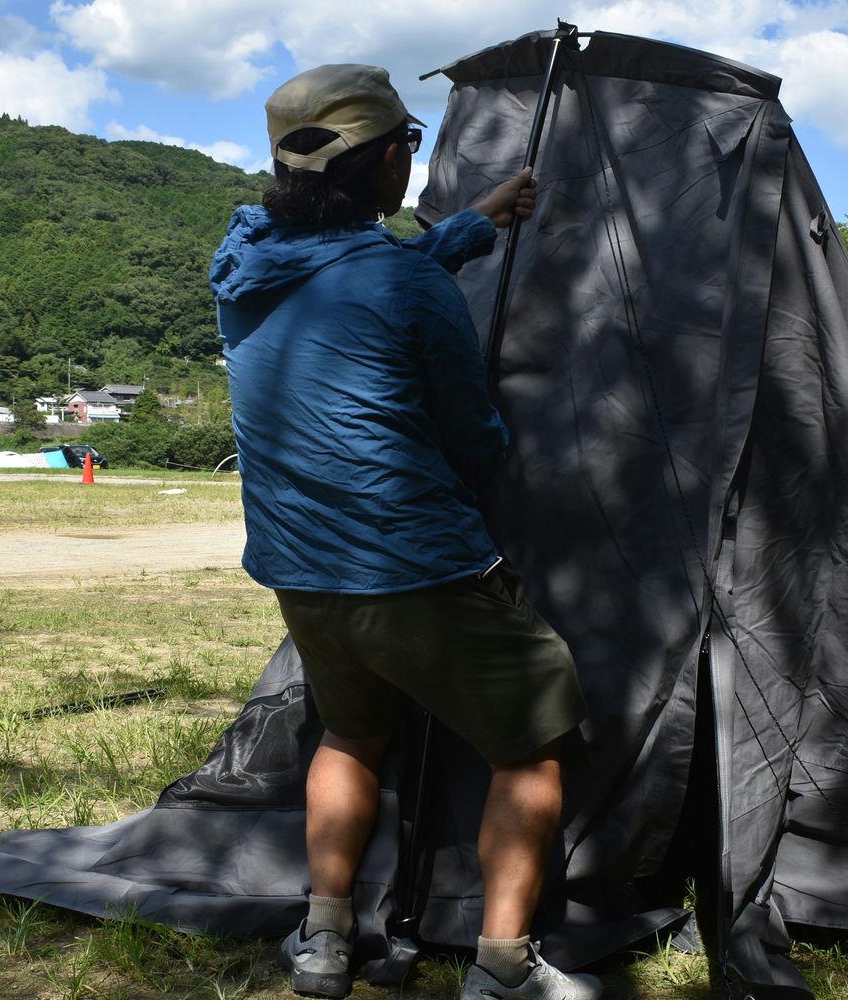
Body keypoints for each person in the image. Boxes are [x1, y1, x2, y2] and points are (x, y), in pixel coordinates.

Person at [209, 64, 601, 1000]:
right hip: (416, 565)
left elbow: (359, 284)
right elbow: (472, 433)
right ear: (389, 159)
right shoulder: (400, 285)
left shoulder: (245, 269)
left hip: (300, 570)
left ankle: (326, 939)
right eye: (410, 151)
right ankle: (504, 968)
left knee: (348, 733)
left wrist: (473, 225)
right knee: (530, 744)